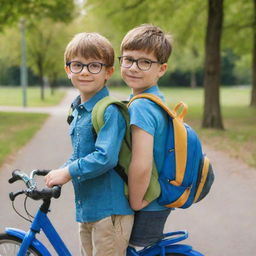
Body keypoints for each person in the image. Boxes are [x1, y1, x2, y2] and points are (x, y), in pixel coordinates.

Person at [45, 32, 134, 256]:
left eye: (94, 65)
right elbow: (79, 154)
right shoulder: (78, 111)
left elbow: (105, 157)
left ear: (108, 72)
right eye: (77, 65)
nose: (84, 71)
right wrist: (61, 171)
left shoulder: (109, 111)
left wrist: (69, 172)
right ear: (68, 70)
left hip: (110, 212)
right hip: (87, 210)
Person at [119, 24, 173, 247]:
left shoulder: (142, 106)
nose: (133, 67)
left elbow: (142, 163)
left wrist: (135, 201)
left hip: (147, 202)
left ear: (161, 69)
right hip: (156, 200)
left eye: (145, 62)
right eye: (128, 59)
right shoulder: (155, 99)